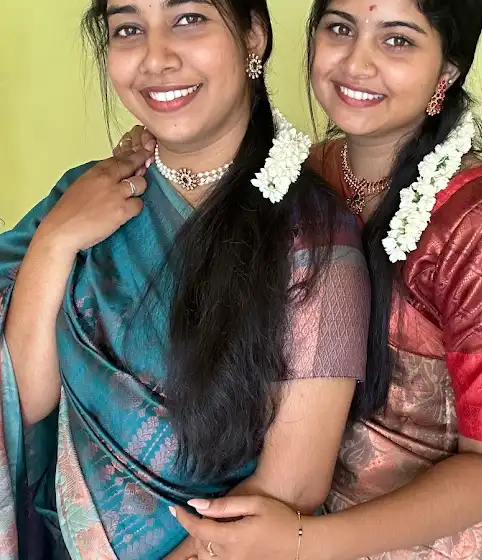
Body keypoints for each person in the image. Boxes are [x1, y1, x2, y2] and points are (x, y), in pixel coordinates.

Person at [123, 0, 482, 558]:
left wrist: (304, 541)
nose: (357, 62)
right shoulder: (309, 176)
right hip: (300, 508)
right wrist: (144, 155)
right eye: (340, 28)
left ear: (447, 70)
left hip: (442, 541)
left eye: (397, 39)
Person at [0, 0, 371, 558]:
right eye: (128, 28)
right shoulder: (83, 198)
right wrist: (55, 242)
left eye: (188, 19)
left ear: (253, 35)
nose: (155, 58)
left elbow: (290, 489)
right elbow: (22, 402)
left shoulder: (316, 239)